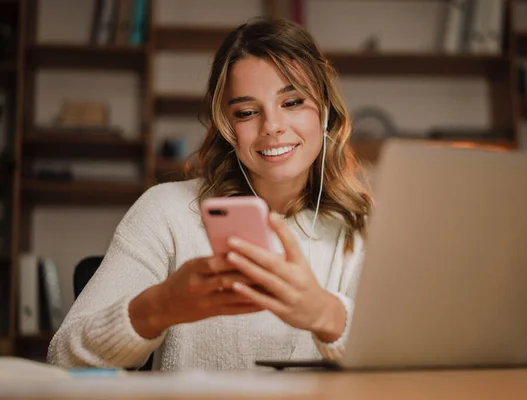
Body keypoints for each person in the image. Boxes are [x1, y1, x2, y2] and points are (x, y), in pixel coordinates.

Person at [48, 17, 372, 371]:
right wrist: (160, 306)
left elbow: (398, 362)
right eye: (247, 112)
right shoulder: (166, 211)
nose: (272, 127)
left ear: (325, 110)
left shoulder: (361, 228)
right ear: (227, 127)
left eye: (292, 102)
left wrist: (325, 314)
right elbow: (64, 357)